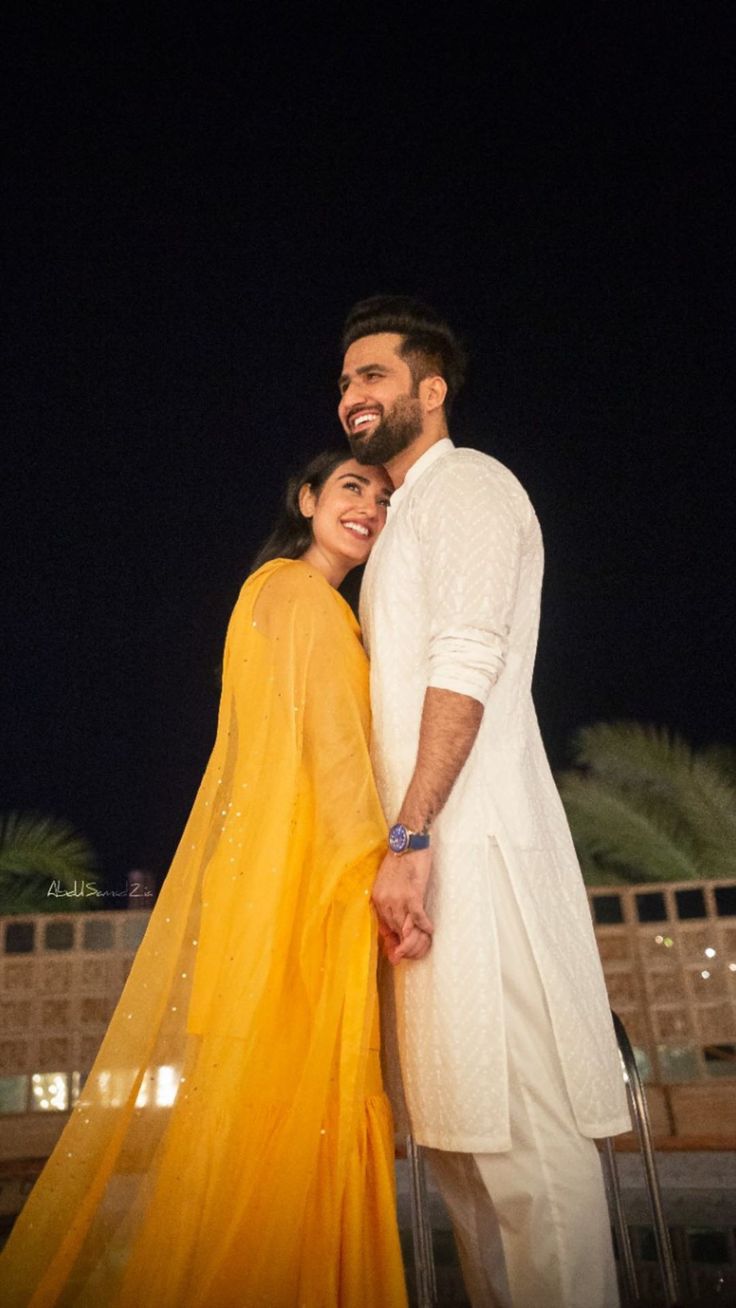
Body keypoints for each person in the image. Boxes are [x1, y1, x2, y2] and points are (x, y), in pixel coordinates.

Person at [0, 452, 409, 1308]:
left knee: (243, 1133)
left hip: (252, 897)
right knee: (297, 1127)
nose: (369, 506)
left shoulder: (261, 594)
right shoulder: (307, 601)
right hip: (302, 895)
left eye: (382, 494)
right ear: (305, 499)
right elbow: (335, 761)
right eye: (350, 488)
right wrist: (380, 873)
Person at [336, 295, 631, 1308]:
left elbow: (467, 661)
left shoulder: (467, 485)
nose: (350, 397)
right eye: (342, 382)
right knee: (460, 1142)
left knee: (520, 1134)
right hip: (419, 865)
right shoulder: (403, 515)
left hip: (474, 848)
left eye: (371, 375)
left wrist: (413, 831)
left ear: (431, 389)